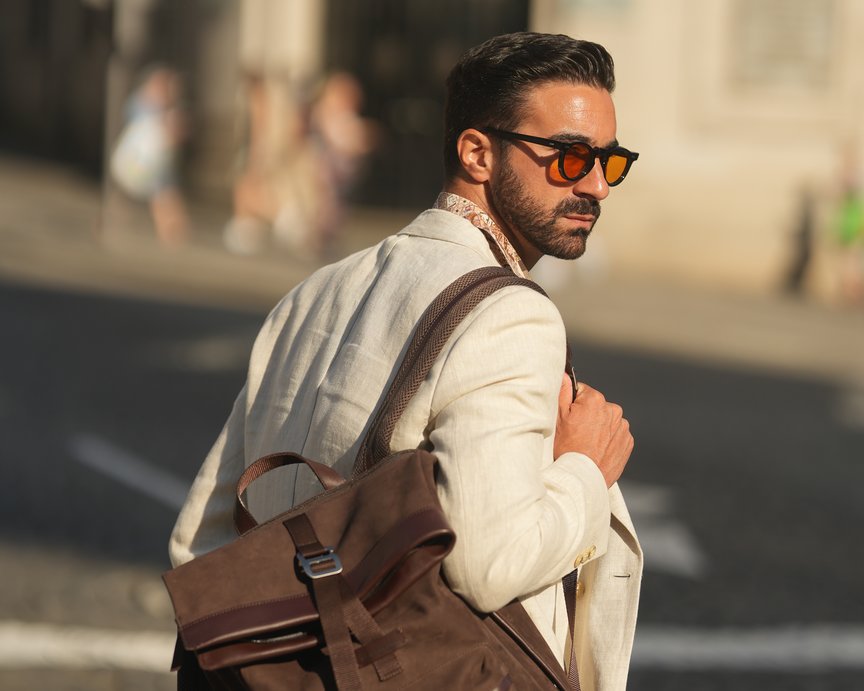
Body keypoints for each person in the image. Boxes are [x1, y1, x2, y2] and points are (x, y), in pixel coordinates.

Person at [170, 32, 642, 690]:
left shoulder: (314, 292)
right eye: (569, 159)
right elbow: (492, 563)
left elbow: (207, 529)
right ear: (477, 152)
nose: (597, 186)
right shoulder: (511, 314)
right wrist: (585, 471)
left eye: (610, 162)